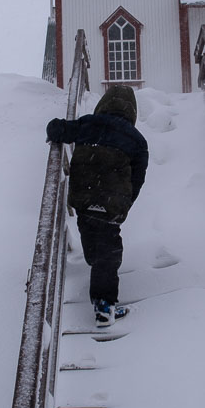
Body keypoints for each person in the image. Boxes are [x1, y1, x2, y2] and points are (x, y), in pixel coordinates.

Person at [46, 83, 148, 327]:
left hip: (83, 199)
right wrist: (124, 205)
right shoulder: (136, 140)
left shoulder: (88, 123)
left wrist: (55, 130)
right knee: (109, 253)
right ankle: (104, 305)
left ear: (103, 104)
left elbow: (56, 128)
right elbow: (137, 179)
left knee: (92, 239)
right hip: (112, 204)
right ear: (132, 110)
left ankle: (98, 274)